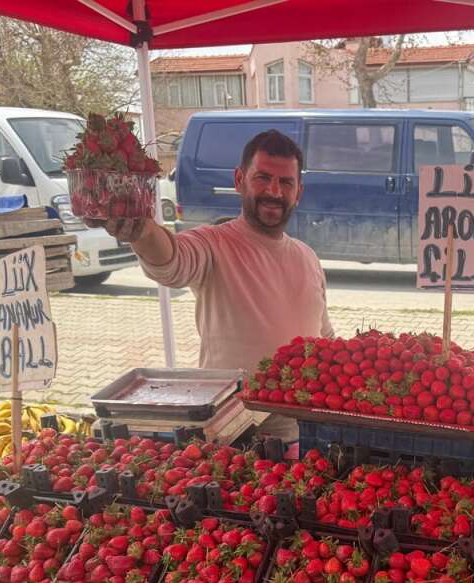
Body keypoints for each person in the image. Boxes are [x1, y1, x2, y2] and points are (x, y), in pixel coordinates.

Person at [94, 129, 332, 437]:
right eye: (262, 177)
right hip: (232, 430)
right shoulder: (213, 243)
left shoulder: (307, 257)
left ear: (298, 192)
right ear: (239, 181)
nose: (274, 191)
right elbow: (171, 262)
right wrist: (141, 231)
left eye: (285, 182)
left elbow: (324, 336)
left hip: (299, 430)